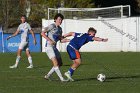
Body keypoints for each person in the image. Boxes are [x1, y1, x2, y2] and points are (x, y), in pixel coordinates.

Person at [41, 13, 69, 82]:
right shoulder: (51, 26)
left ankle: (47, 76)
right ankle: (62, 79)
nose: (60, 21)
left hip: (54, 47)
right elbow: (42, 33)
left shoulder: (60, 29)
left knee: (60, 63)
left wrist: (70, 40)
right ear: (55, 19)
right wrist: (49, 40)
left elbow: (61, 40)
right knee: (55, 63)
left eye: (61, 20)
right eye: (59, 19)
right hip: (49, 47)